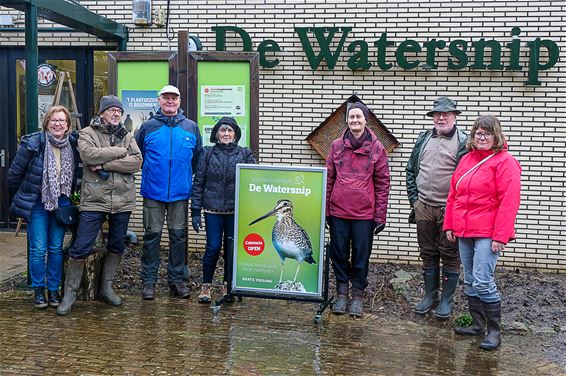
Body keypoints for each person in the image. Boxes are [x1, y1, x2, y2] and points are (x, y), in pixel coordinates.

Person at [57, 95, 142, 316]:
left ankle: (107, 288)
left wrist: (104, 163)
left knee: (116, 245)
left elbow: (137, 162)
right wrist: (120, 152)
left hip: (122, 200)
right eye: (112, 110)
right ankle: (70, 294)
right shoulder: (88, 133)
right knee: (81, 246)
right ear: (102, 112)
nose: (116, 114)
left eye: (119, 111)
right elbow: (88, 155)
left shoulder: (127, 134)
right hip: (94, 199)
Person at [445, 115, 521, 350]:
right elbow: (453, 194)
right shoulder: (467, 160)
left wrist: (501, 235)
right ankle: (478, 324)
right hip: (464, 229)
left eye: (487, 133)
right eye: (478, 132)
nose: (482, 136)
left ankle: (494, 331)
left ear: (496, 135)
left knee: (483, 280)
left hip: (488, 232)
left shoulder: (505, 162)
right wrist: (449, 224)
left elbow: (509, 202)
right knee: (469, 279)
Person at [8, 106, 80, 309]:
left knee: (56, 248)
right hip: (37, 202)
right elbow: (14, 175)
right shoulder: (33, 143)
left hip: (62, 202)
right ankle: (39, 289)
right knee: (38, 248)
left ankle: (54, 289)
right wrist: (25, 198)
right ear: (46, 123)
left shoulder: (72, 144)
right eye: (53, 120)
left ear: (67, 125)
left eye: (62, 121)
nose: (57, 124)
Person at [136, 85, 203, 300]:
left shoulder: (191, 128)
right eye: (166, 98)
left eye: (174, 98)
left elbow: (197, 158)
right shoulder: (147, 127)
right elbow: (140, 156)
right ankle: (149, 282)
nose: (170, 101)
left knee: (178, 237)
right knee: (151, 237)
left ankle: (176, 281)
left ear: (180, 101)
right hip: (153, 192)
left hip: (180, 194)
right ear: (159, 100)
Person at [326, 102, 390, 318]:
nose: (355, 120)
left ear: (366, 120)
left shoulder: (377, 148)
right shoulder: (336, 146)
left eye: (358, 117)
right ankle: (342, 293)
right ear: (347, 120)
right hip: (338, 213)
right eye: (351, 117)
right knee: (339, 254)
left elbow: (383, 183)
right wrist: (326, 210)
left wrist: (380, 215)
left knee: (361, 256)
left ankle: (358, 296)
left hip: (364, 215)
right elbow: (328, 180)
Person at [405, 96, 468, 319]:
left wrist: (456, 209)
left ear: (454, 116)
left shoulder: (463, 142)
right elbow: (410, 170)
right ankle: (430, 296)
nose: (441, 118)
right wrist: (415, 200)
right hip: (423, 206)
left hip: (448, 210)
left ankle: (446, 301)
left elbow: (465, 181)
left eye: (446, 114)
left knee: (450, 255)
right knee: (428, 253)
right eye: (437, 114)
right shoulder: (423, 139)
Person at [191, 117, 256, 303]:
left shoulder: (245, 154)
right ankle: (206, 286)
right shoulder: (207, 153)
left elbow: (254, 180)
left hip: (235, 212)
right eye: (222, 130)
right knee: (212, 248)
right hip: (212, 210)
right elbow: (198, 183)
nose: (226, 134)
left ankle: (228, 285)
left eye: (230, 130)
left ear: (235, 133)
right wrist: (195, 211)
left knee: (231, 249)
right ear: (216, 134)